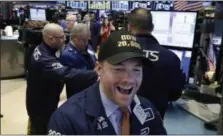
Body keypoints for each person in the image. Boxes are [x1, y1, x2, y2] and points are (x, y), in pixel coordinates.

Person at [48, 31, 167, 135]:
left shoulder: (147, 108)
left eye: (136, 70)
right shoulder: (67, 119)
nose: (129, 79)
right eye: (119, 69)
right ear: (99, 69)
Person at [26, 23, 98, 135]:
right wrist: (95, 74)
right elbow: (66, 73)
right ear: (51, 38)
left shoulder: (46, 48)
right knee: (40, 129)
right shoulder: (44, 58)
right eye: (61, 37)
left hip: (47, 98)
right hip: (40, 103)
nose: (65, 39)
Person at [128, 8, 185, 119]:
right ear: (152, 27)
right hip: (155, 121)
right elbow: (175, 94)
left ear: (129, 27)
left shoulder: (118, 53)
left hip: (121, 122)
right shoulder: (171, 58)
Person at [60, 23, 97, 98]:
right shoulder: (66, 55)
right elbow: (71, 78)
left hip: (92, 89)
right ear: (74, 38)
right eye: (83, 40)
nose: (86, 43)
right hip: (78, 94)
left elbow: (94, 60)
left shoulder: (87, 46)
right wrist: (94, 73)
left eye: (87, 39)